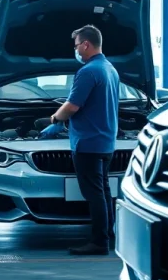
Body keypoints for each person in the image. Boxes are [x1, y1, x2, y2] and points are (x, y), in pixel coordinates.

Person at [40, 25, 119, 256]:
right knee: (103, 191)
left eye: (76, 46)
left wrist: (55, 118)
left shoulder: (88, 71)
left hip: (88, 143)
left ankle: (98, 242)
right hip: (106, 142)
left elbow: (72, 105)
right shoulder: (110, 69)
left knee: (94, 194)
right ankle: (109, 235)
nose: (75, 50)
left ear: (86, 44)